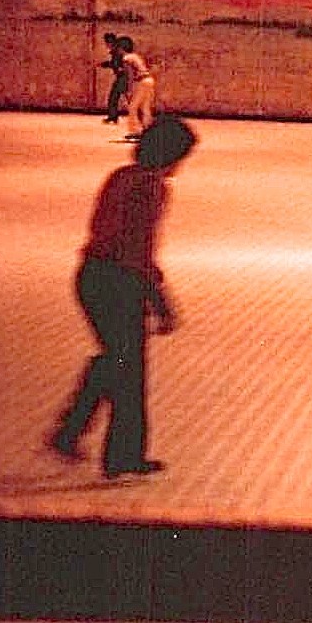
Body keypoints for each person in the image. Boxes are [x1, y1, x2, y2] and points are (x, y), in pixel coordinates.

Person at [47, 115, 197, 478]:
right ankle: (114, 452)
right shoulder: (152, 188)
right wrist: (160, 300)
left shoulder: (120, 177)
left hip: (91, 276)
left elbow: (102, 229)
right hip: (119, 280)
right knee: (129, 370)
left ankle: (81, 436)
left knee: (118, 361)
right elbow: (137, 249)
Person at [118, 37, 156, 141]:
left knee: (132, 107)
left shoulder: (126, 58)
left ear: (121, 48)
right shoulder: (135, 56)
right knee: (145, 107)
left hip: (142, 82)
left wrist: (129, 90)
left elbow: (129, 75)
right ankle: (148, 130)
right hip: (149, 80)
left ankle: (135, 131)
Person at [100, 33, 128, 124]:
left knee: (114, 97)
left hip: (122, 77)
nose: (106, 45)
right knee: (116, 97)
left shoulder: (116, 51)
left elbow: (116, 63)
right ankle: (113, 116)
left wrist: (106, 64)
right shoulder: (116, 50)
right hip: (122, 77)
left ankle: (113, 116)